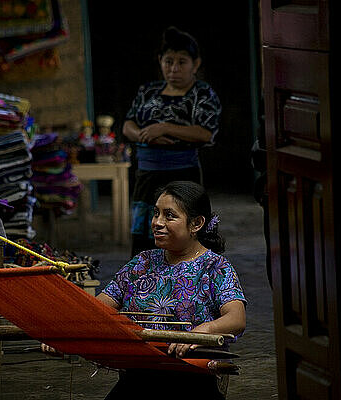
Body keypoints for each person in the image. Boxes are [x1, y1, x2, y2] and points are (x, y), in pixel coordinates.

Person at [43, 181, 246, 399]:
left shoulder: (215, 267)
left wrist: (202, 331)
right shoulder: (142, 263)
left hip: (191, 376)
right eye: (156, 213)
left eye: (169, 215)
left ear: (196, 223)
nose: (157, 222)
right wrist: (65, 334)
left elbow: (236, 319)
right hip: (138, 376)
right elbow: (98, 308)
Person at [122, 26, 222, 257]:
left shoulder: (202, 94)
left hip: (182, 175)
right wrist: (143, 135)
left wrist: (165, 127)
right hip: (147, 178)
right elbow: (128, 124)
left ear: (195, 64)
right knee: (147, 235)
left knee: (182, 233)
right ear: (160, 61)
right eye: (168, 62)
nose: (173, 69)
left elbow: (206, 133)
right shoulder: (148, 91)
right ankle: (144, 288)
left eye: (181, 62)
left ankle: (185, 287)